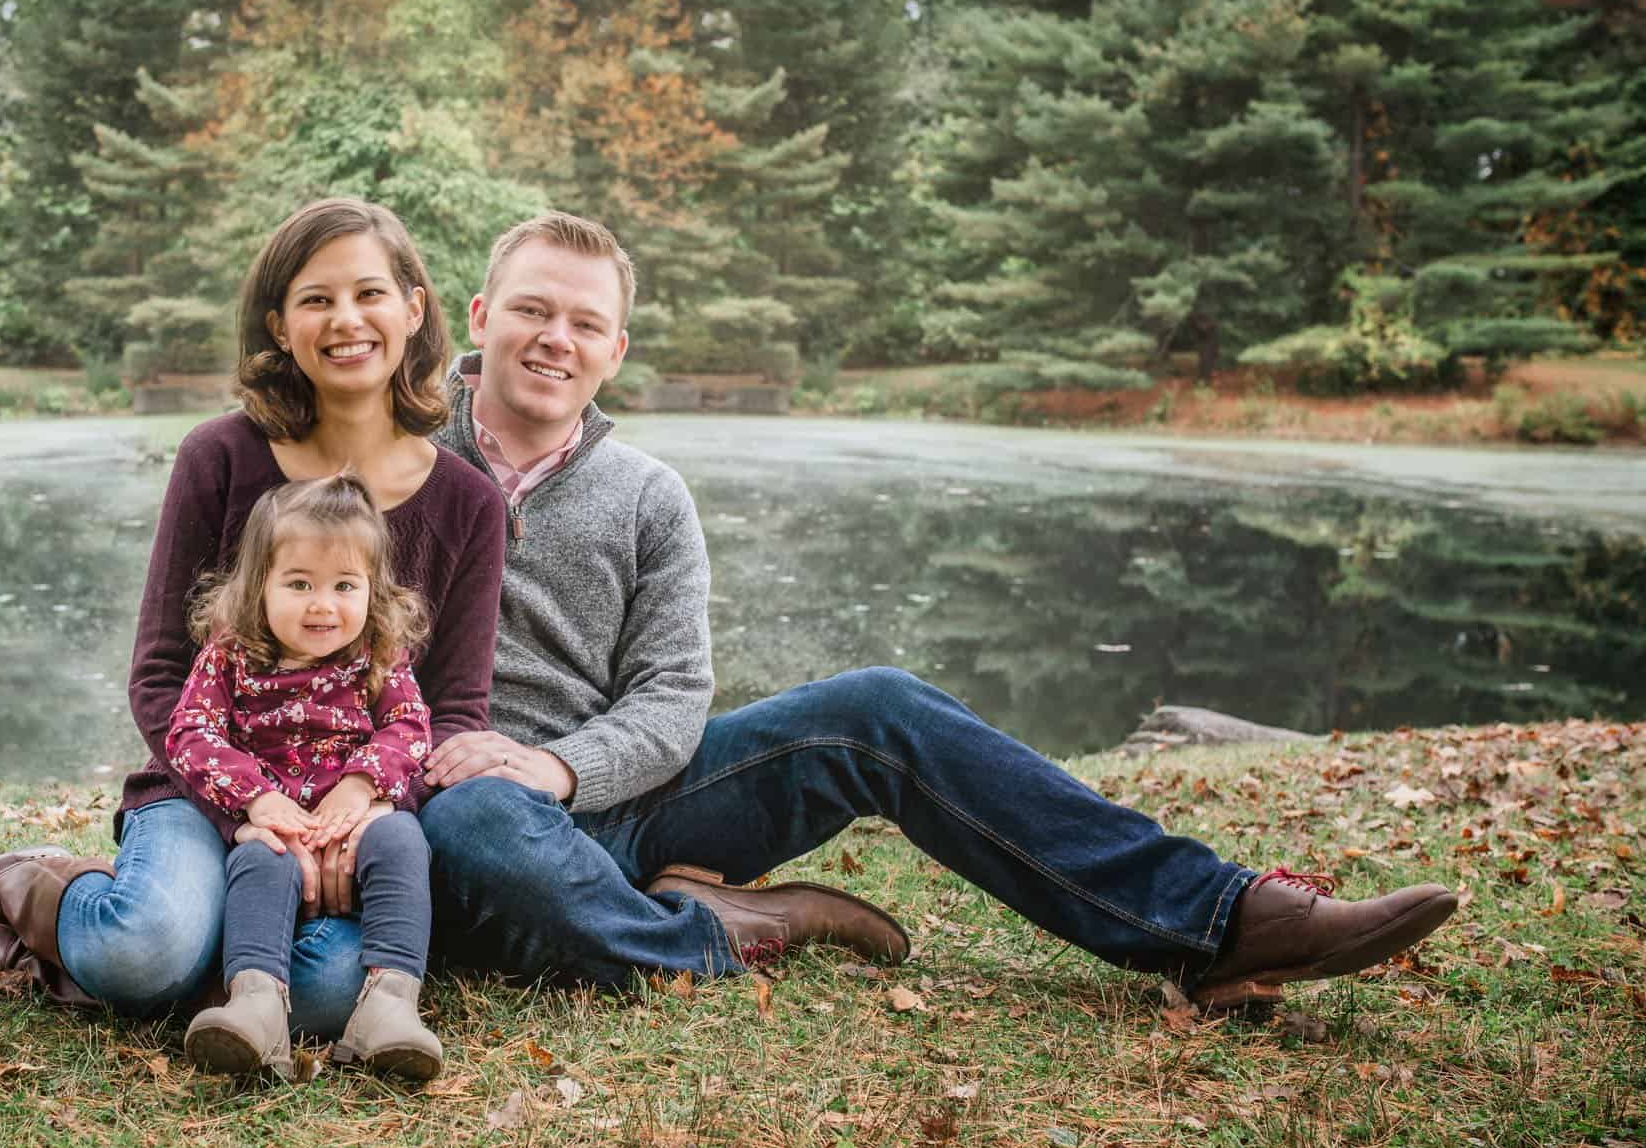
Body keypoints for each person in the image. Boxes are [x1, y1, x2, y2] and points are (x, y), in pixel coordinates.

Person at [280, 210, 1458, 1014]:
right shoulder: (391, 466)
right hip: (450, 812)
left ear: (617, 348)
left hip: (623, 799)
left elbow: (674, 699)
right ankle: (720, 933)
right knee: (481, 818)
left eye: (586, 323)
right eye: (534, 310)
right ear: (479, 315)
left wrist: (564, 769)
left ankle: (1216, 922)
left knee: (879, 707)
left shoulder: (647, 496)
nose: (556, 339)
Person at [0, 198, 507, 1039]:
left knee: (334, 986)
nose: (346, 320)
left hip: (353, 809)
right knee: (150, 946)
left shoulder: (469, 503)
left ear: (413, 309)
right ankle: (22, 891)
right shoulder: (219, 457)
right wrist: (249, 806)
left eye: (370, 293)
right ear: (280, 326)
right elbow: (161, 675)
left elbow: (453, 713)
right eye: (316, 299)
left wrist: (372, 804)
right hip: (205, 790)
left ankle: (22, 946)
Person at [166, 471, 443, 1081]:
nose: (323, 604)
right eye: (299, 584)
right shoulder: (231, 655)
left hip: (352, 823)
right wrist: (256, 800)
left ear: (372, 589)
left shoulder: (377, 653)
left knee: (401, 840)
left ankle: (391, 1005)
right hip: (275, 826)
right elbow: (191, 733)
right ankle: (256, 1006)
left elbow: (409, 726)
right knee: (261, 859)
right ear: (258, 585)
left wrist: (361, 785)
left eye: (345, 585)